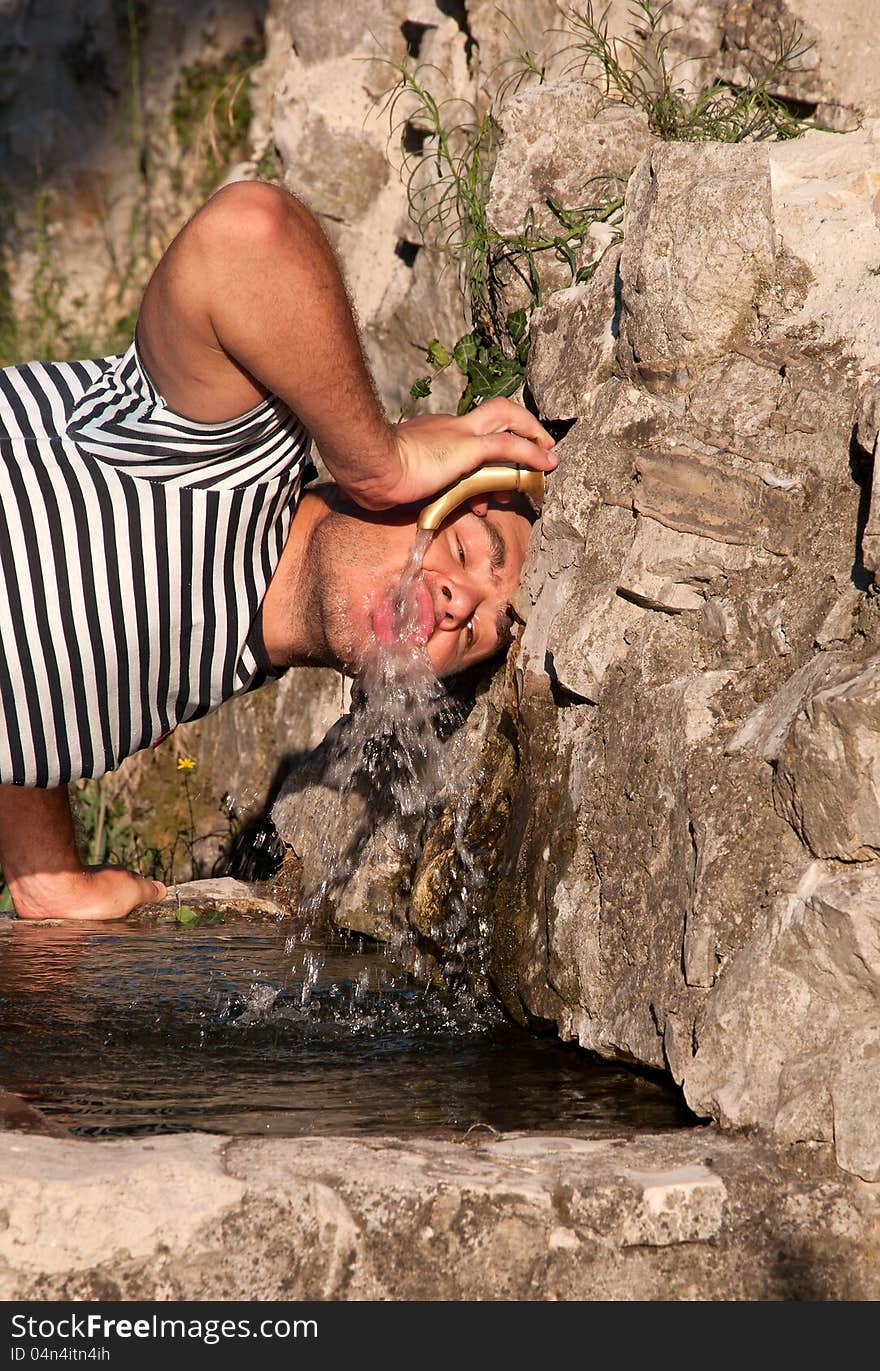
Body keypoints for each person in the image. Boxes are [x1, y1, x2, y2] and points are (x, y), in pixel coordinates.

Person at [0, 180, 556, 923]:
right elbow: (249, 231)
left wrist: (45, 874)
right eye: (462, 547)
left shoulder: (217, 660)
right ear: (407, 489)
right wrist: (377, 459)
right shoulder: (238, 450)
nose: (460, 602)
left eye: (482, 630)